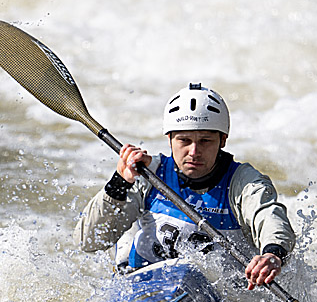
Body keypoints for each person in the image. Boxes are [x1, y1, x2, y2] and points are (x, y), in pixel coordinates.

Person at [74, 83, 295, 290]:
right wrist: (119, 183)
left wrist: (272, 254)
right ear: (169, 139)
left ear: (223, 140)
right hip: (145, 287)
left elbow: (269, 218)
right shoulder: (147, 175)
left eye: (205, 141)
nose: (194, 152)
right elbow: (88, 241)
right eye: (184, 140)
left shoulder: (244, 182)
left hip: (214, 295)